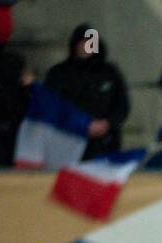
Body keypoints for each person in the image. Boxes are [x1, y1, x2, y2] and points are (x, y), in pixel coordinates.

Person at [43, 23, 129, 159]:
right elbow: (51, 106)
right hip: (69, 140)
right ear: (74, 45)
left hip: (105, 142)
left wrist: (107, 123)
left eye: (90, 43)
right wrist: (80, 124)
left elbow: (122, 104)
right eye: (82, 43)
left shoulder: (110, 72)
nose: (85, 47)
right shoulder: (59, 73)